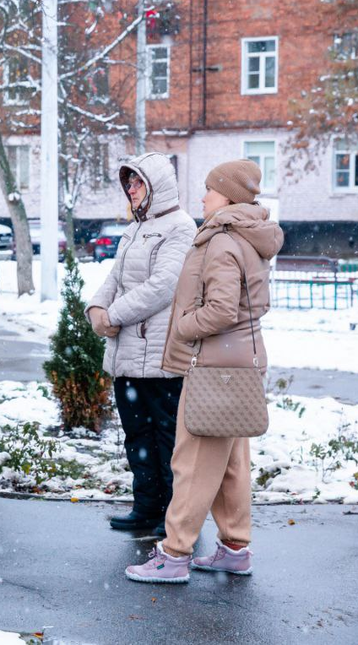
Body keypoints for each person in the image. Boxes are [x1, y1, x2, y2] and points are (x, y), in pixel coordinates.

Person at [126, 159, 283, 584]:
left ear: (228, 196)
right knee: (231, 463)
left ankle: (174, 554)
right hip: (238, 365)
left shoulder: (222, 241)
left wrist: (183, 326)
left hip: (215, 368)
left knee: (192, 462)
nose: (202, 197)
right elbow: (256, 305)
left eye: (210, 190)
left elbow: (221, 309)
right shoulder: (246, 237)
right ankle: (234, 548)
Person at [85, 152, 197, 536]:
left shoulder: (180, 227)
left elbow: (163, 287)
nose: (131, 190)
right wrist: (96, 307)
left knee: (167, 440)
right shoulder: (135, 229)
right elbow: (115, 276)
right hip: (127, 355)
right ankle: (147, 507)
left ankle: (173, 517)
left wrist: (113, 316)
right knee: (137, 437)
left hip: (161, 357)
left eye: (138, 183)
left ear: (156, 184)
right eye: (128, 184)